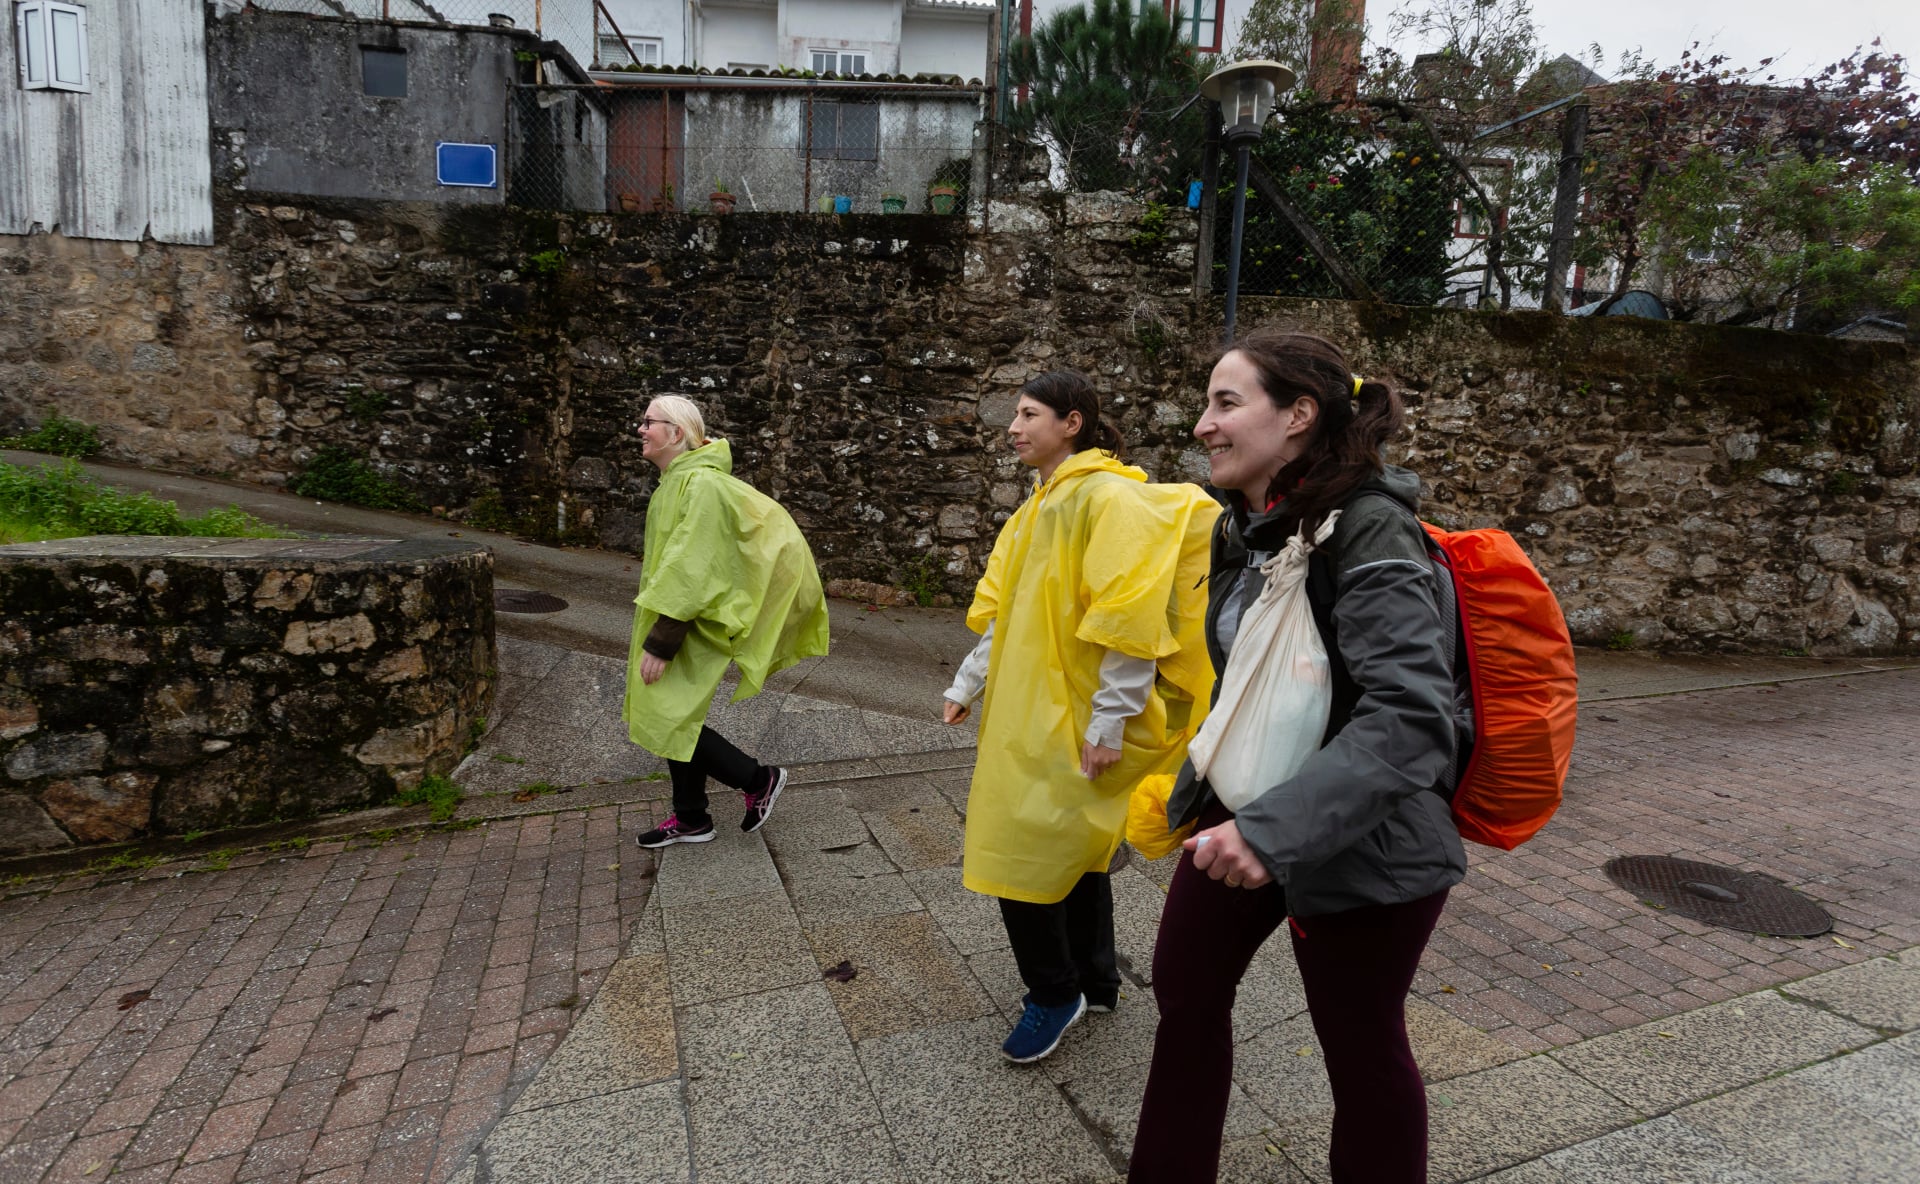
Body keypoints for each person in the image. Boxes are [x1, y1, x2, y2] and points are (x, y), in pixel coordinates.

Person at [1129, 329, 1466, 1183]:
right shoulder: (1242, 528)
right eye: (1207, 403)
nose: (1203, 424)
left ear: (1300, 416)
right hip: (1244, 812)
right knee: (1186, 995)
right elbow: (1251, 681)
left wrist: (1269, 833)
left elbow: (1410, 719)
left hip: (1367, 838)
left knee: (1359, 1046)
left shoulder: (1375, 531)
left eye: (1226, 402)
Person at [943, 370, 1217, 1064]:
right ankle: (1095, 981)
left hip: (1067, 718)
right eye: (1015, 414)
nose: (1014, 426)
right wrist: (968, 682)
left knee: (1017, 856)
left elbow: (1128, 613)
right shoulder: (1040, 504)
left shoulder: (1105, 497)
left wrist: (1108, 725)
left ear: (1073, 422)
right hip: (1028, 711)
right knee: (1074, 850)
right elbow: (1009, 610)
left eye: (1030, 413)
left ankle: (1052, 993)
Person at [625, 395, 830, 848]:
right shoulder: (679, 482)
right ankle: (692, 817)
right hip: (680, 618)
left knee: (668, 716)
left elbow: (692, 569)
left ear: (676, 433)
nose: (640, 429)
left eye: (648, 422)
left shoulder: (699, 486)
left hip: (687, 623)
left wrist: (662, 641)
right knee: (676, 715)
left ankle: (757, 779)